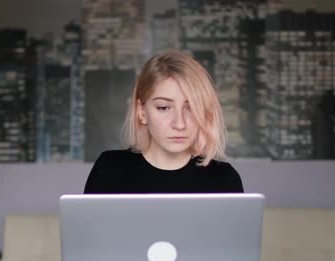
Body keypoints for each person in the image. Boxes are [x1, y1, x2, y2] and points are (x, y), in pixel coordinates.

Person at [84, 50, 243, 194]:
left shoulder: (225, 179)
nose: (179, 124)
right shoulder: (109, 170)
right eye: (164, 107)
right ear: (142, 112)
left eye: (191, 108)